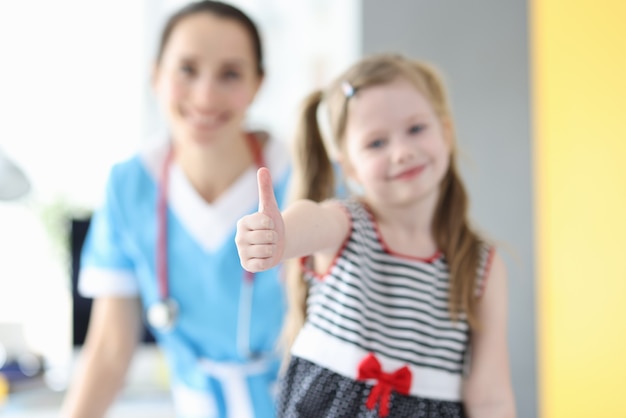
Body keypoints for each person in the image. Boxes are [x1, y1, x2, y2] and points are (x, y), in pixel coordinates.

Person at [235, 54, 516, 417]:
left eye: (416, 129)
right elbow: (314, 219)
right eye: (376, 143)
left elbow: (490, 396)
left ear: (445, 132)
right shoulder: (349, 226)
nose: (402, 152)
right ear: (349, 166)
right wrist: (280, 235)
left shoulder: (480, 264)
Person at [61, 2, 290, 417]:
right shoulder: (130, 185)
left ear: (258, 84)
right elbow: (110, 350)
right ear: (156, 76)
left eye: (231, 74)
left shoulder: (303, 175)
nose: (205, 95)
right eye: (187, 69)